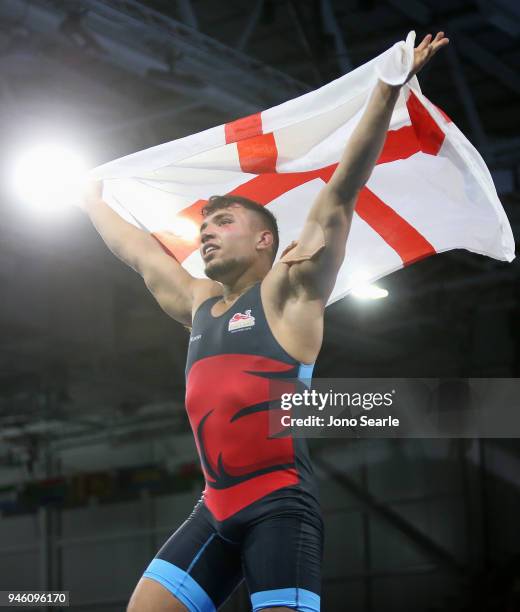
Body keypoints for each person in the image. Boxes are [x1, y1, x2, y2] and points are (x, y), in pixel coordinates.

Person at [81, 32, 448, 612]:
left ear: (264, 240)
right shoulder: (198, 301)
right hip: (214, 509)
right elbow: (137, 251)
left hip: (280, 510)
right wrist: (91, 199)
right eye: (204, 225)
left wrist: (385, 90)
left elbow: (340, 195)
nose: (204, 231)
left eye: (221, 221)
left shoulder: (290, 292)